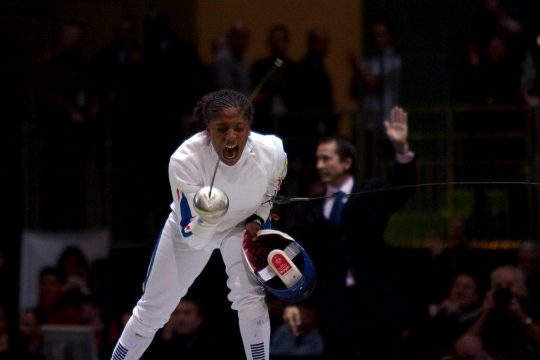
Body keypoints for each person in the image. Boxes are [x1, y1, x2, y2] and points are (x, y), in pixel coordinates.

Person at [110, 88, 288, 360]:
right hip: (192, 229)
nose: (231, 136)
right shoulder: (184, 161)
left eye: (239, 128)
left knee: (250, 299)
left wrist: (256, 219)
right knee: (153, 310)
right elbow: (193, 238)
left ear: (249, 127)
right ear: (207, 130)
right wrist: (208, 218)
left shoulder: (272, 151)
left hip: (240, 226)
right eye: (222, 128)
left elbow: (269, 193)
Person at [282, 106, 416, 360]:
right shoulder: (310, 209)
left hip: (377, 302)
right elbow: (294, 256)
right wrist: (291, 302)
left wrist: (401, 149)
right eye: (317, 159)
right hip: (333, 307)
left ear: (346, 163)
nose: (319, 165)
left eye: (327, 158)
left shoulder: (369, 193)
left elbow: (402, 189)